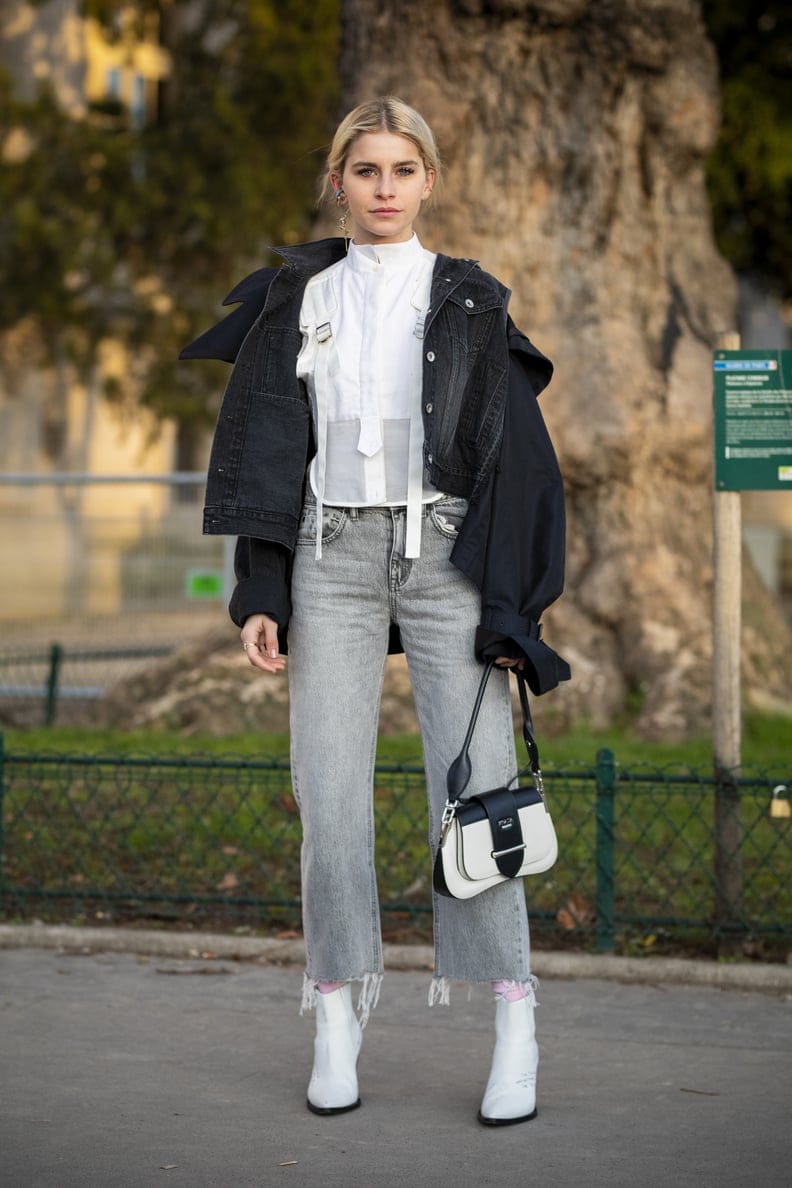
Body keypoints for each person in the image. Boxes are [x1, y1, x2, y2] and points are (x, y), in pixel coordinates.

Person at [181, 96, 570, 1126]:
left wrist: (513, 606)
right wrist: (260, 589)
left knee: (479, 797)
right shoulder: (293, 300)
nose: (386, 187)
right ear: (338, 181)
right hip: (329, 556)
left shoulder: (471, 301)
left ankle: (514, 1020)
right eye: (367, 170)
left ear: (429, 181)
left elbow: (522, 464)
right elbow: (270, 454)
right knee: (332, 799)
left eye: (404, 169)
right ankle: (338, 1015)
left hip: (447, 556)